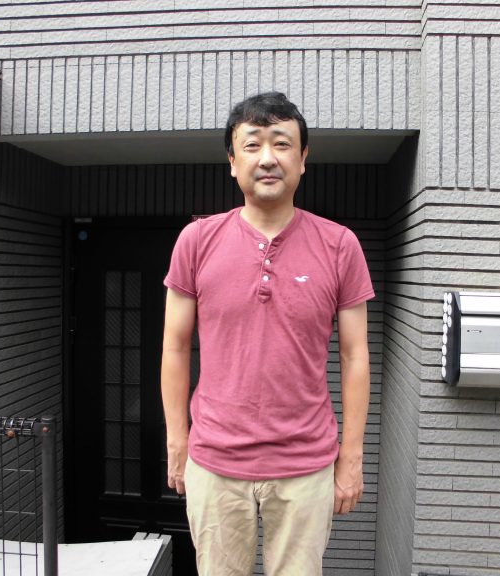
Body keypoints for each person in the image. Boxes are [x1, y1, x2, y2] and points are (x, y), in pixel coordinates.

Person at [161, 91, 374, 575]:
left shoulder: (340, 246)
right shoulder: (197, 241)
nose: (268, 158)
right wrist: (177, 441)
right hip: (215, 460)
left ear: (303, 158)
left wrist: (352, 456)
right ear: (232, 162)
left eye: (281, 143)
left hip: (306, 463)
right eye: (252, 145)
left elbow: (356, 355)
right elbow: (174, 346)